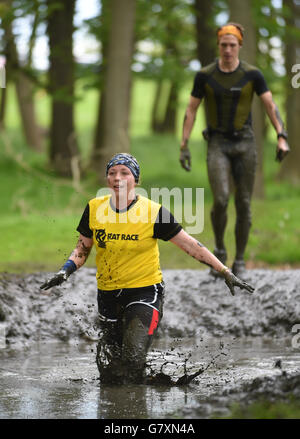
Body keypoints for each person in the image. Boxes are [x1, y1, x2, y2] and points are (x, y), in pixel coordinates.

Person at [40, 152, 254, 384]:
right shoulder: (94, 208)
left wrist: (224, 271)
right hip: (108, 294)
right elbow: (82, 249)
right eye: (112, 173)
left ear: (136, 180)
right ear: (106, 179)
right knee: (110, 369)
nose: (117, 178)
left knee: (133, 356)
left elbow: (190, 245)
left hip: (145, 292)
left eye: (124, 173)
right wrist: (65, 271)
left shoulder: (153, 212)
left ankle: (136, 404)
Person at [179, 22, 290, 278]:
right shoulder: (205, 75)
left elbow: (270, 106)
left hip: (245, 143)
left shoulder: (253, 74)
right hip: (217, 142)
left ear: (240, 46)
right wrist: (184, 145)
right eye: (223, 45)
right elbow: (191, 109)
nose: (227, 49)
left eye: (232, 45)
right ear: (218, 46)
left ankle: (239, 260)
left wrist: (281, 136)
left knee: (244, 202)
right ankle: (219, 252)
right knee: (220, 199)